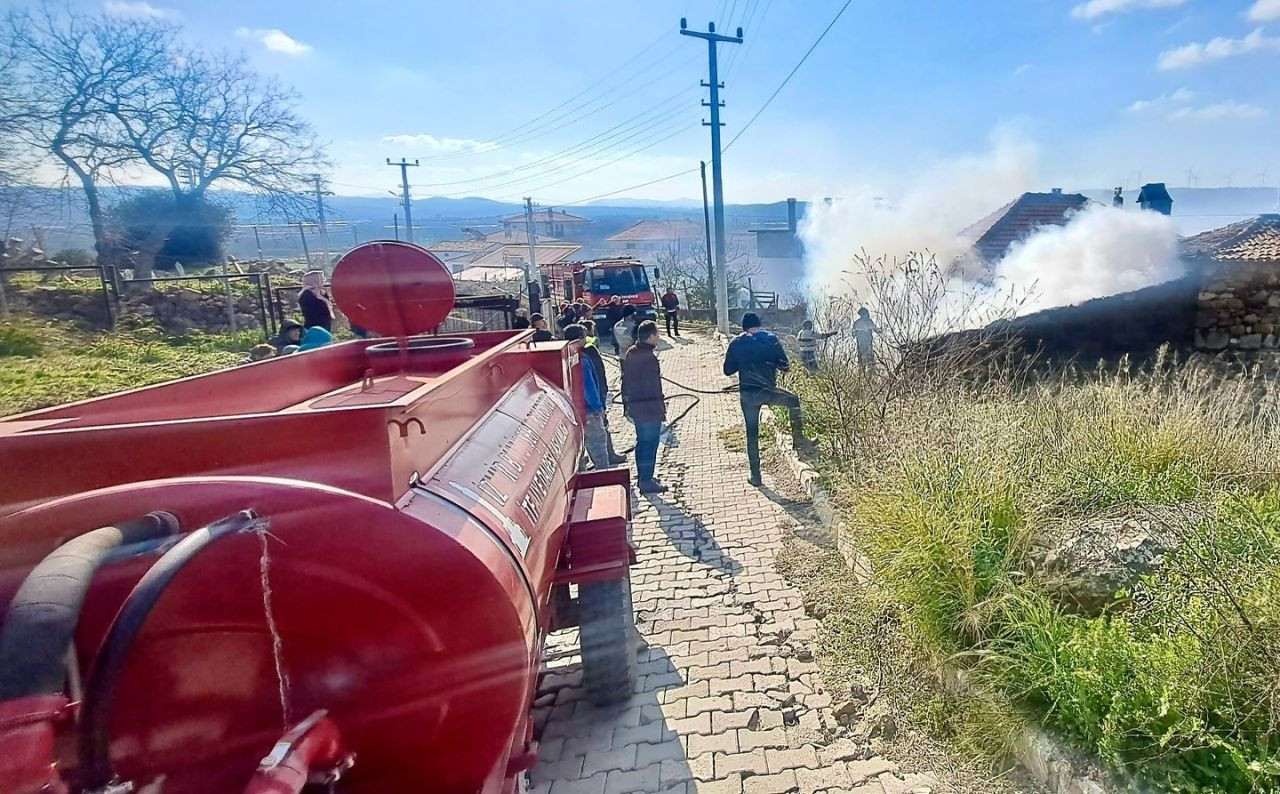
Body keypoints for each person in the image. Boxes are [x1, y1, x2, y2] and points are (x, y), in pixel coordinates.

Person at [724, 312, 818, 487]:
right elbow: (785, 366)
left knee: (751, 434)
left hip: (748, 395)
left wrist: (742, 361)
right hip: (768, 391)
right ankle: (799, 441)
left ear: (744, 327)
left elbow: (728, 371)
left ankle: (755, 475)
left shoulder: (736, 342)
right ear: (759, 324)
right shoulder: (771, 339)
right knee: (793, 401)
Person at [564, 323, 619, 470]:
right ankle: (603, 477)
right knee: (598, 447)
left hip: (572, 411)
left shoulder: (565, 358)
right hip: (588, 411)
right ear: (580, 339)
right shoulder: (582, 359)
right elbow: (589, 387)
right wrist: (598, 407)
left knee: (579, 452)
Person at [621, 320, 667, 494]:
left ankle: (643, 476)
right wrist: (660, 408)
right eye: (657, 334)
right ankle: (646, 481)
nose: (659, 337)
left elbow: (625, 380)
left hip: (636, 406)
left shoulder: (632, 352)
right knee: (650, 444)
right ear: (651, 336)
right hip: (648, 408)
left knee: (642, 443)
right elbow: (652, 387)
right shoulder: (649, 358)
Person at [581, 319, 627, 464]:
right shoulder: (589, 350)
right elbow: (593, 379)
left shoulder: (582, 352)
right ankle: (606, 463)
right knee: (599, 435)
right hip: (593, 402)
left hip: (589, 401)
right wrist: (598, 404)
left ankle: (609, 455)